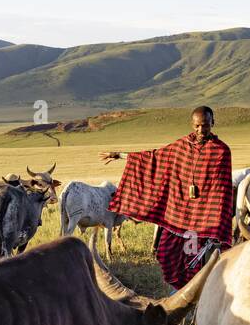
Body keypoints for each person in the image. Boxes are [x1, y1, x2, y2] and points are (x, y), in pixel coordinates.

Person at [99, 106, 233, 290]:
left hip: (203, 222)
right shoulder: (181, 146)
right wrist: (121, 155)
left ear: (213, 123)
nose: (201, 130)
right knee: (165, 253)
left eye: (206, 125)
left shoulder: (221, 151)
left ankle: (195, 299)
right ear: (192, 124)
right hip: (178, 217)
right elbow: (153, 158)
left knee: (195, 260)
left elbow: (222, 191)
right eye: (197, 126)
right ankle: (176, 295)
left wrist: (218, 224)